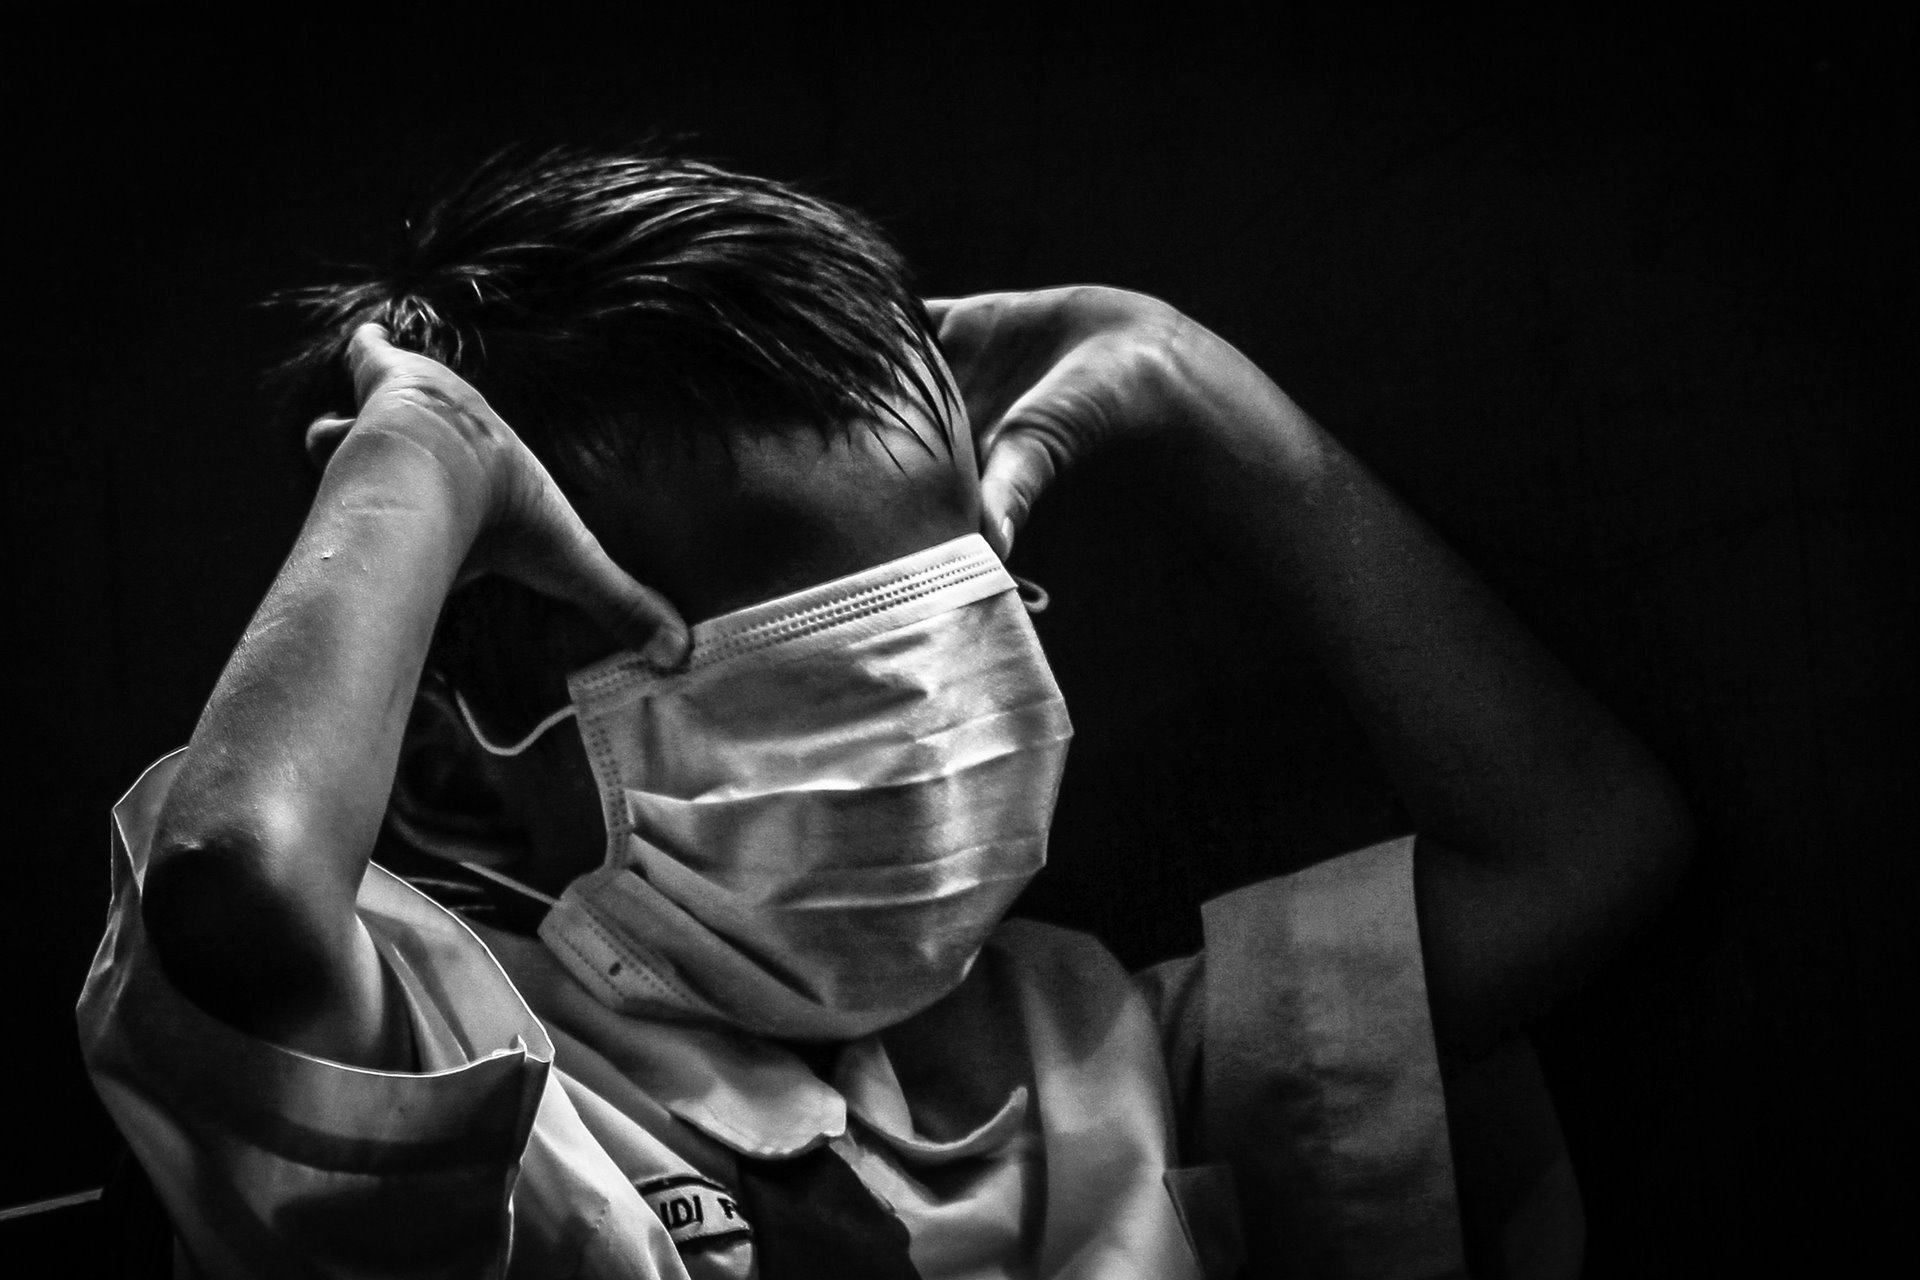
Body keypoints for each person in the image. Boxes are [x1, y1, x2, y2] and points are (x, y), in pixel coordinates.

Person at [77, 147, 1691, 1279]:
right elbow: (238, 890)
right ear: (452, 743)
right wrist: (416, 463)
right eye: (820, 645)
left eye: (958, 607)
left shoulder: (1094, 1050)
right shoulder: (455, 1068)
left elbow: (1582, 849)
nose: (931, 711)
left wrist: (1187, 377)